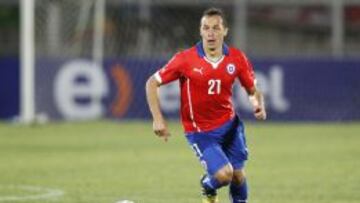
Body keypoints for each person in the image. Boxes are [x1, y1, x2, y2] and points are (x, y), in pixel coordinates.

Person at [145, 7, 266, 203]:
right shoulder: (185, 59)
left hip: (230, 127)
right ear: (200, 31)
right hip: (200, 132)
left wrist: (258, 104)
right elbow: (152, 83)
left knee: (238, 175)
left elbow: (253, 90)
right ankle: (208, 185)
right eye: (206, 28)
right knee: (223, 175)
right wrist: (157, 119)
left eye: (216, 28)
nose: (211, 33)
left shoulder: (237, 58)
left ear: (225, 31)